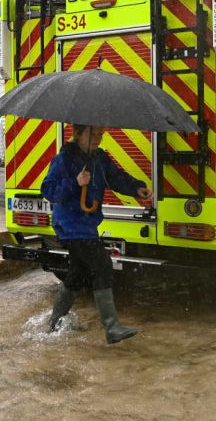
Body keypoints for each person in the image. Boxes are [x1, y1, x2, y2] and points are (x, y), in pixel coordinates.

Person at [41, 124, 153, 343]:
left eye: (100, 134)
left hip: (87, 224)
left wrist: (136, 188)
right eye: (93, 134)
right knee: (102, 265)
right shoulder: (64, 159)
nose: (98, 138)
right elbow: (49, 190)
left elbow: (116, 177)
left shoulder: (99, 158)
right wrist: (75, 182)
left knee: (78, 274)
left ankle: (54, 323)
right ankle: (111, 328)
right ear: (78, 133)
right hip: (70, 225)